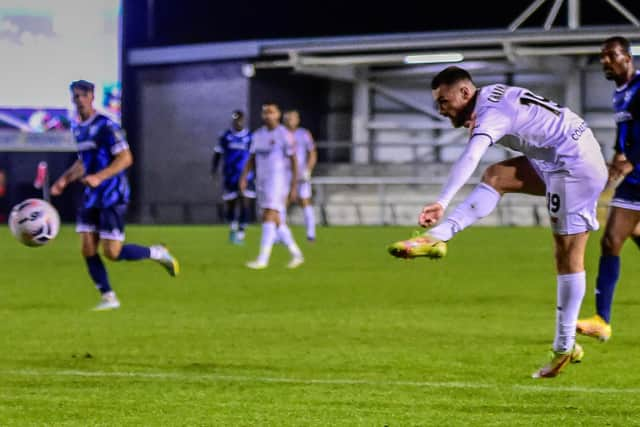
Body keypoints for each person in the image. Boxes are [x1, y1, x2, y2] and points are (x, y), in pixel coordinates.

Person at [387, 66, 608, 378]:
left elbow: (471, 155)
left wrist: (442, 200)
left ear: (465, 92)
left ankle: (564, 346)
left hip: (574, 166)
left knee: (568, 255)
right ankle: (439, 235)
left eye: (444, 100)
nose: (440, 109)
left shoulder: (491, 112)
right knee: (496, 177)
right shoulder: (491, 95)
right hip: (563, 154)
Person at [51, 79, 179, 311]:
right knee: (87, 248)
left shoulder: (107, 126)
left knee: (112, 252)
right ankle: (108, 297)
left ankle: (157, 252)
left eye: (83, 95)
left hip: (112, 194)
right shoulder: (77, 127)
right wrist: (65, 179)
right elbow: (84, 160)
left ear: (92, 96)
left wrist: (100, 177)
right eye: (75, 96)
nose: (79, 100)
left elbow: (126, 158)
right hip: (92, 196)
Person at [576, 36, 640, 342]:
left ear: (627, 57)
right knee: (616, 239)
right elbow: (624, 137)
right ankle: (601, 319)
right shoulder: (620, 95)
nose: (605, 61)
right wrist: (616, 164)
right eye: (602, 57)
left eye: (611, 56)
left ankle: (602, 319)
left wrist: (628, 164)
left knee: (612, 240)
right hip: (634, 178)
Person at [240, 103, 304, 269]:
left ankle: (263, 259)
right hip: (262, 181)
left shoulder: (284, 134)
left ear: (278, 115)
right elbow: (252, 158)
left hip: (278, 181)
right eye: (265, 112)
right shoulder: (258, 135)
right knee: (275, 220)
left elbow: (294, 161)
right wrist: (244, 177)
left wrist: (294, 185)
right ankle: (296, 253)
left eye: (271, 112)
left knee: (269, 215)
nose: (268, 115)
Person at [211, 110, 255, 244]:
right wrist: (214, 170)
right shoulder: (226, 136)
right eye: (235, 119)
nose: (238, 122)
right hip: (230, 175)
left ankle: (241, 233)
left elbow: (254, 156)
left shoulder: (250, 136)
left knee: (245, 202)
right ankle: (233, 227)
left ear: (243, 120)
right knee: (231, 204)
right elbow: (218, 154)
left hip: (245, 176)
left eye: (240, 119)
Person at [283, 110, 318, 241]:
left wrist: (308, 170)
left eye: (292, 118)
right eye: (287, 119)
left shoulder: (304, 134)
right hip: (285, 174)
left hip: (301, 175)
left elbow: (313, 153)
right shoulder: (281, 134)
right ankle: (280, 235)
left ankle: (311, 234)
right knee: (281, 203)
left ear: (297, 120)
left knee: (305, 201)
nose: (290, 121)